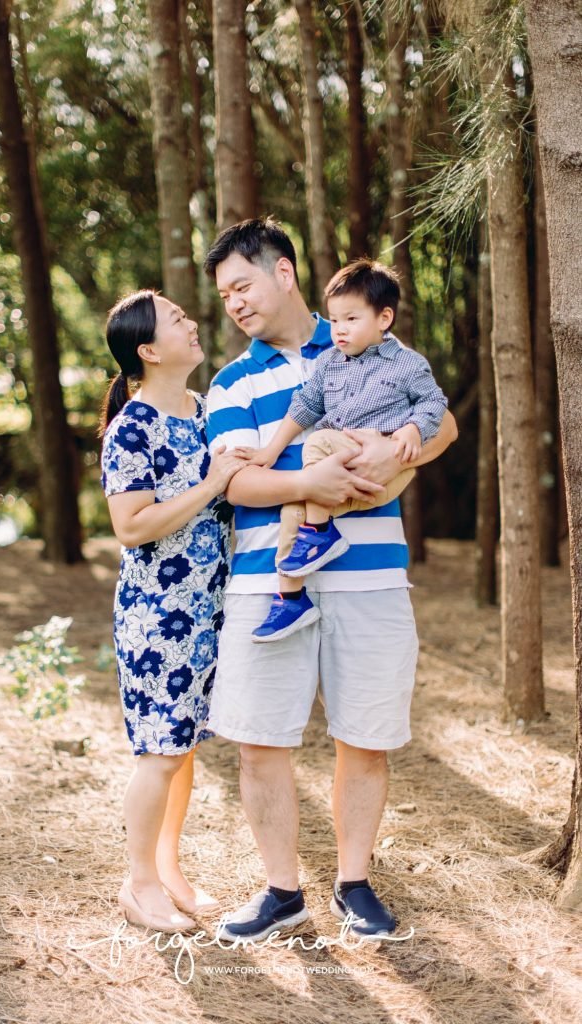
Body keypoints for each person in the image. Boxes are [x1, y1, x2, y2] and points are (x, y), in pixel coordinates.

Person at [204, 218, 458, 942]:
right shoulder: (231, 381)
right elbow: (234, 484)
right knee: (259, 742)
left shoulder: (370, 342)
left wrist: (390, 454)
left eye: (243, 286)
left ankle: (353, 881)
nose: (236, 304)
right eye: (224, 296)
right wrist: (309, 479)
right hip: (265, 576)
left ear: (282, 272)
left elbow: (438, 427)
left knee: (364, 737)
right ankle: (281, 890)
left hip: (371, 574)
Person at [100, 289, 245, 934]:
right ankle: (138, 886)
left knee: (180, 749)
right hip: (159, 614)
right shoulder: (133, 426)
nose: (192, 322)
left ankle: (167, 869)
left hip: (209, 608)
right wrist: (210, 484)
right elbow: (131, 527)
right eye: (178, 320)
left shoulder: (206, 410)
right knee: (160, 753)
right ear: (149, 351)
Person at [241, 258, 448, 642]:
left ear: (383, 319)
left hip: (385, 467)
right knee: (295, 508)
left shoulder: (406, 363)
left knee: (317, 442)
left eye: (351, 320)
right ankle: (290, 599)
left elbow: (434, 403)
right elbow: (303, 407)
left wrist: (412, 428)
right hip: (344, 470)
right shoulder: (328, 364)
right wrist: (270, 451)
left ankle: (319, 532)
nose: (338, 330)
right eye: (334, 320)